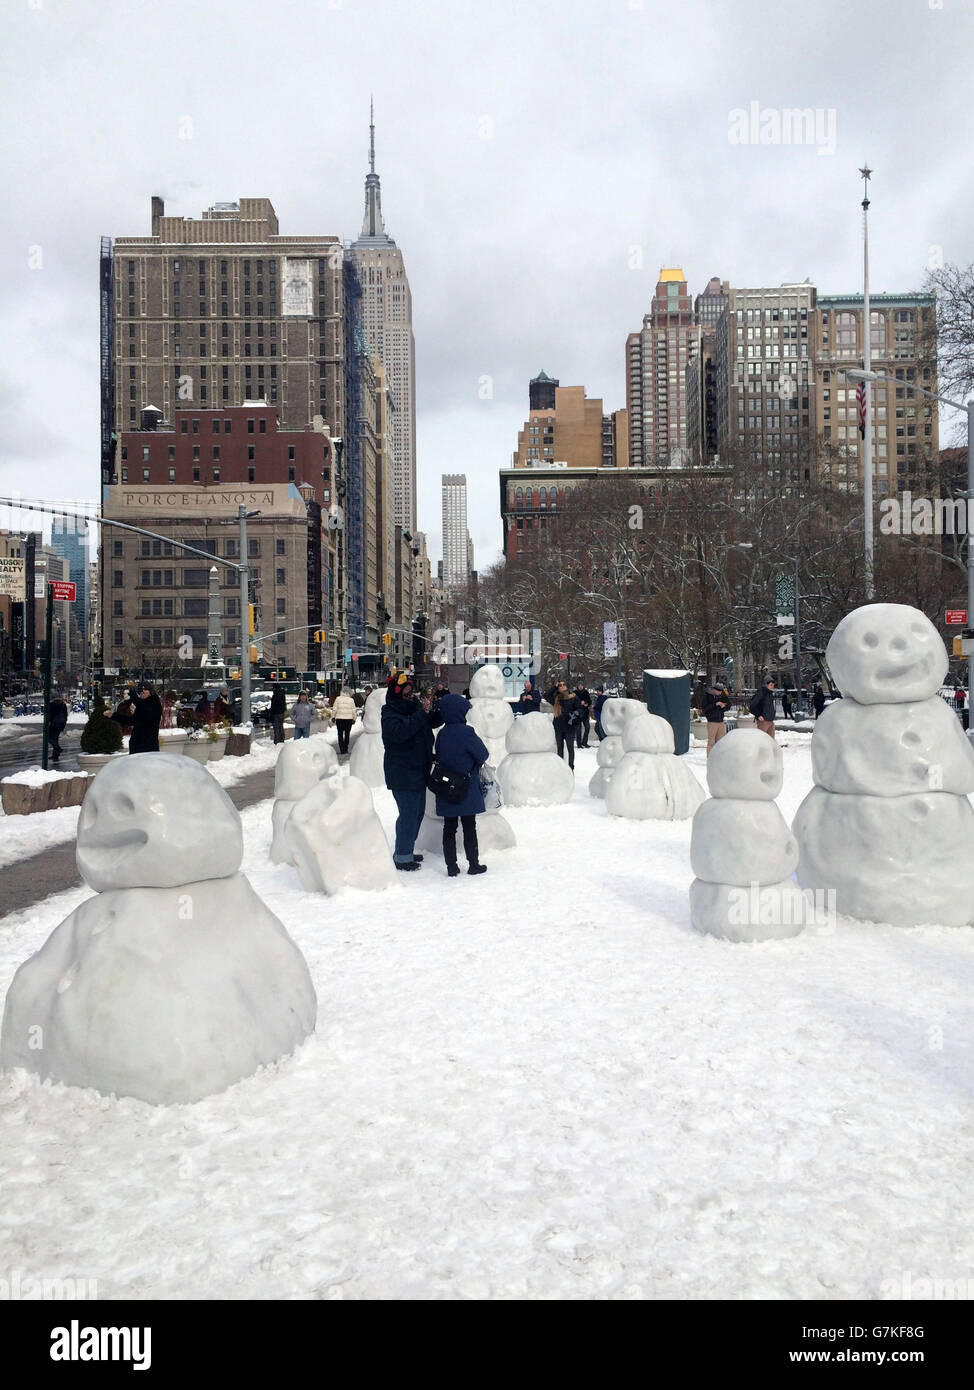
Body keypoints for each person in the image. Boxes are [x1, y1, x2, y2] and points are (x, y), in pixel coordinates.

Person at [381, 671, 439, 871]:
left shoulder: (414, 708)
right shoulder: (389, 714)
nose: (410, 697)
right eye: (406, 695)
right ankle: (402, 857)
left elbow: (429, 722)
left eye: (411, 694)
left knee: (417, 814)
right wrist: (421, 714)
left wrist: (435, 710)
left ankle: (406, 849)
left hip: (419, 770)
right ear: (397, 695)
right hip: (402, 772)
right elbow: (400, 733)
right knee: (408, 815)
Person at [433, 693, 490, 877]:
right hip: (466, 788)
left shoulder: (442, 733)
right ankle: (473, 864)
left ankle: (451, 867)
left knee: (449, 828)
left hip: (446, 787)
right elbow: (482, 754)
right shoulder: (466, 732)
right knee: (468, 826)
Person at [546, 680, 581, 770]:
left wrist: (575, 714)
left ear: (567, 686)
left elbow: (580, 709)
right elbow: (546, 696)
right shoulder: (556, 698)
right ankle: (561, 768)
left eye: (563, 684)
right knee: (559, 749)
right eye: (560, 685)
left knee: (570, 748)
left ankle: (571, 768)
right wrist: (554, 686)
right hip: (558, 727)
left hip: (570, 727)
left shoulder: (574, 697)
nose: (562, 686)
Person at [120, 681, 163, 754]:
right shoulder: (139, 705)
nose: (142, 692)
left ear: (150, 691)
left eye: (145, 689)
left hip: (149, 747)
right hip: (136, 747)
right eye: (140, 690)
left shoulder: (155, 703)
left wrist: (135, 699)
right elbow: (131, 721)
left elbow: (148, 713)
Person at [702, 684, 728, 755]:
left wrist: (723, 706)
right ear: (714, 690)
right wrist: (715, 704)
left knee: (720, 742)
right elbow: (705, 709)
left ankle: (718, 758)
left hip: (721, 721)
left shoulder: (721, 696)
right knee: (711, 742)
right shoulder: (707, 696)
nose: (720, 693)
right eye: (719, 691)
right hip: (712, 722)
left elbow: (728, 705)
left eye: (721, 692)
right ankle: (710, 758)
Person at [331, 685, 357, 755]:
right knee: (347, 734)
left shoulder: (338, 698)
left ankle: (342, 749)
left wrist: (333, 717)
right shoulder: (351, 700)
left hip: (339, 719)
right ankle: (345, 748)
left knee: (340, 734)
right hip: (348, 719)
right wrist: (354, 718)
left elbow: (335, 708)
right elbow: (354, 710)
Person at [48, 691, 68, 762]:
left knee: (49, 738)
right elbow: (66, 715)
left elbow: (50, 715)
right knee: (55, 739)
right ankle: (55, 755)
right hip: (61, 724)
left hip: (54, 724)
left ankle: (58, 749)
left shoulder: (52, 705)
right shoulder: (63, 704)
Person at [573, 681, 592, 748]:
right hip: (578, 713)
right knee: (578, 729)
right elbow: (572, 702)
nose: (580, 686)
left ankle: (584, 742)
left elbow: (589, 701)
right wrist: (579, 703)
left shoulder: (586, 692)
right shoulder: (575, 693)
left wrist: (586, 703)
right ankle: (579, 744)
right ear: (577, 686)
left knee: (587, 727)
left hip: (585, 713)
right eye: (579, 685)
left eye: (581, 685)